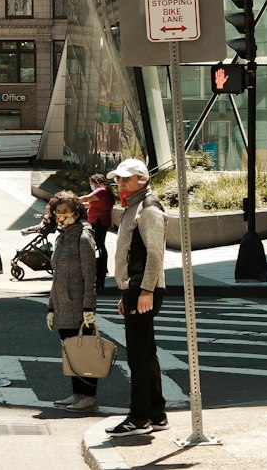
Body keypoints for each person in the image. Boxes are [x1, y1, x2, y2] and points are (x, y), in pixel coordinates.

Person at [107, 157, 168, 437]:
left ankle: (139, 418)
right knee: (146, 353)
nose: (120, 183)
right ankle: (156, 413)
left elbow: (155, 254)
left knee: (139, 357)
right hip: (135, 289)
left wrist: (145, 290)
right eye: (118, 179)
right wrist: (125, 291)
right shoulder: (133, 207)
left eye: (126, 179)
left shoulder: (149, 208)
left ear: (142, 179)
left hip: (144, 289)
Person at [46, 192, 100, 413]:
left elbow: (90, 276)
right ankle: (77, 393)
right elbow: (57, 275)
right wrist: (51, 307)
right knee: (71, 351)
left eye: (65, 212)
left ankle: (89, 396)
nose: (61, 216)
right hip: (62, 306)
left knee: (84, 352)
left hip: (78, 305)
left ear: (76, 213)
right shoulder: (63, 236)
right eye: (57, 212)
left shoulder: (83, 238)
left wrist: (89, 307)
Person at [86, 172, 115, 288]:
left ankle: (101, 268)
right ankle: (102, 267)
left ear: (94, 182)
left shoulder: (100, 190)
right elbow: (91, 203)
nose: (91, 186)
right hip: (99, 222)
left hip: (99, 222)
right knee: (99, 244)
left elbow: (86, 198)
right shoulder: (104, 191)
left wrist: (70, 201)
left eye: (91, 184)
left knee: (99, 245)